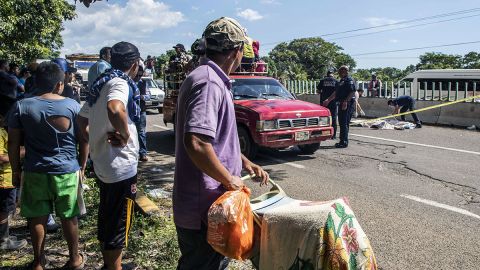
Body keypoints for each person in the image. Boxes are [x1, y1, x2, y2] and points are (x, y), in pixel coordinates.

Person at [173, 17, 269, 270]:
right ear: (237, 51)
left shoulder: (210, 78)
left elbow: (215, 140)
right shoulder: (208, 82)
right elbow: (196, 142)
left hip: (210, 206)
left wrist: (244, 162)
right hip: (203, 209)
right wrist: (229, 179)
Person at [8, 61, 87, 270]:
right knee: (70, 216)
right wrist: (82, 166)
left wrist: (16, 171)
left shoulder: (22, 106)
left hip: (35, 170)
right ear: (59, 85)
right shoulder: (72, 106)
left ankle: (39, 261)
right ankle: (75, 259)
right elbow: (84, 139)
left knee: (37, 217)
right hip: (67, 171)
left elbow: (13, 143)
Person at [77, 41, 140, 270]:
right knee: (118, 222)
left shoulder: (100, 84)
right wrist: (124, 135)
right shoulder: (119, 83)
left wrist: (94, 141)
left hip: (105, 163)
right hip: (120, 167)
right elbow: (115, 108)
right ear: (134, 65)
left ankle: (110, 264)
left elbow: (81, 121)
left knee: (108, 217)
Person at [0, 104, 28, 251]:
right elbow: (1, 157)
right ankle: (3, 240)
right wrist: (22, 150)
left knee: (7, 208)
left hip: (6, 179)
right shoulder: (0, 133)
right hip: (3, 180)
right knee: (4, 209)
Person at [334, 66, 356, 148]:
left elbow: (352, 91)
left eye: (344, 70)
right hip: (341, 103)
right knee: (342, 123)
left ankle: (343, 142)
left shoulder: (349, 80)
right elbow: (336, 92)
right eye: (340, 70)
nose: (342, 71)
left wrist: (346, 102)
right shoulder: (341, 80)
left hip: (346, 103)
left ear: (347, 71)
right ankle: (343, 140)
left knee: (343, 123)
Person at [134, 62, 150, 162]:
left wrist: (142, 97)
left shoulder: (143, 83)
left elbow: (148, 95)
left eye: (140, 75)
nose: (139, 77)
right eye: (137, 75)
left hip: (141, 111)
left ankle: (143, 153)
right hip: (131, 111)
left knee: (141, 132)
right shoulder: (128, 82)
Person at [319, 70, 339, 139]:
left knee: (323, 118)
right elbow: (337, 92)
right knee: (333, 118)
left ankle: (323, 134)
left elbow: (318, 90)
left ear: (327, 74)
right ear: (332, 74)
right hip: (333, 102)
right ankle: (333, 135)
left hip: (324, 102)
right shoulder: (336, 81)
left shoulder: (322, 80)